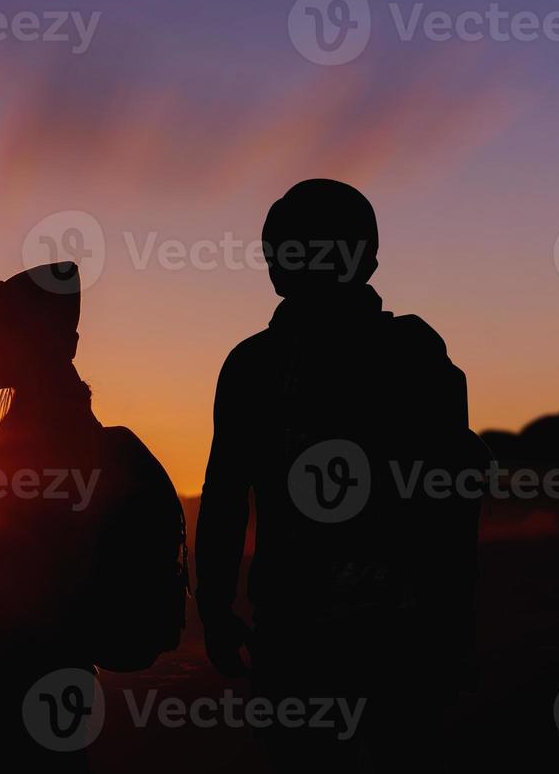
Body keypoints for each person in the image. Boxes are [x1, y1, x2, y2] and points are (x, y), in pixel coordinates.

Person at [195, 180, 484, 773]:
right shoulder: (412, 352)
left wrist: (216, 610)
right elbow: (454, 504)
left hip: (323, 635)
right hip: (381, 633)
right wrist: (453, 625)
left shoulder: (255, 364)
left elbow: (226, 497)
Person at [0, 262, 158, 773]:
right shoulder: (61, 416)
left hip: (30, 662)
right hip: (59, 660)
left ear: (35, 339)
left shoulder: (47, 427)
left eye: (0, 326)